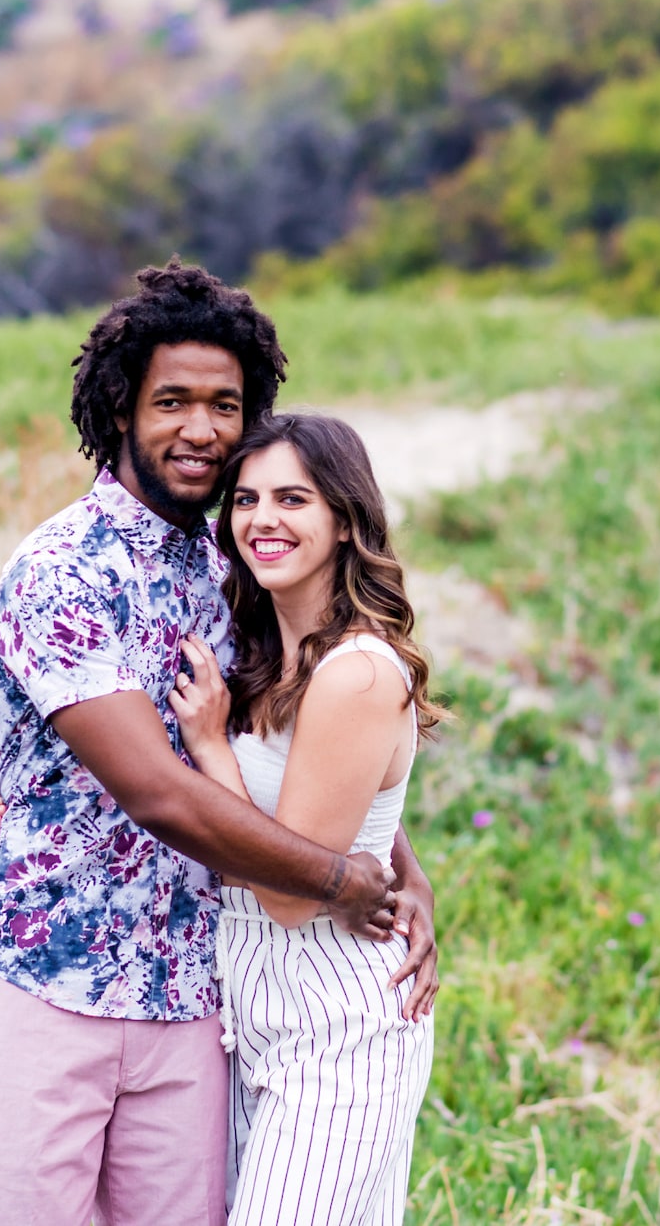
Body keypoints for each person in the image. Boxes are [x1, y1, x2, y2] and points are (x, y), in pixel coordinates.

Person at [0, 260, 437, 1226]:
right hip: (46, 982)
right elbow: (158, 791)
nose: (202, 429)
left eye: (225, 405)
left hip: (193, 1001)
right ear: (122, 408)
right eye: (173, 401)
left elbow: (310, 744)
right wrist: (341, 880)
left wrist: (397, 864)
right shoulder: (62, 570)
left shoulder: (238, 568)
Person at [168, 412, 443, 1226]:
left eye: (294, 498)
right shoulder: (268, 651)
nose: (264, 519)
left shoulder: (357, 672)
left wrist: (210, 746)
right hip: (254, 1008)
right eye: (247, 499)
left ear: (345, 520)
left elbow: (293, 892)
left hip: (337, 1020)